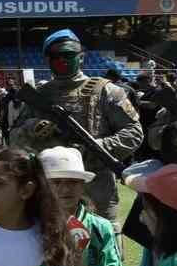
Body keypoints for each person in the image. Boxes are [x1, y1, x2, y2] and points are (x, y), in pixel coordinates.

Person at [10, 29, 142, 222]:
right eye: (55, 56)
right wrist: (32, 127)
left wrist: (97, 147)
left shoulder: (107, 91)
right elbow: (13, 138)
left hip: (97, 189)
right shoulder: (38, 96)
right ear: (47, 59)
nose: (62, 60)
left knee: (103, 243)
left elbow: (134, 133)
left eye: (68, 55)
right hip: (48, 189)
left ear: (81, 57)